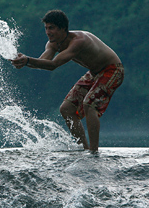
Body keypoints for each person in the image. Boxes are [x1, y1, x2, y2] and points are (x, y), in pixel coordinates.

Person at [11, 10, 124, 153]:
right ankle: (84, 149)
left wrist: (27, 60)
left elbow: (53, 65)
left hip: (113, 70)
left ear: (62, 28)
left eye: (51, 28)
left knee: (89, 104)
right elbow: (43, 62)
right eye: (46, 28)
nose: (48, 32)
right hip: (94, 73)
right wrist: (23, 61)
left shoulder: (78, 41)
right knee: (66, 109)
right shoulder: (52, 44)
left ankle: (93, 152)